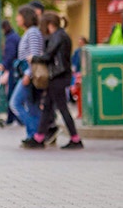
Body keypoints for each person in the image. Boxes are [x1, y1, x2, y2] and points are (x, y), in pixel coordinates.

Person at [24, 12, 82, 149]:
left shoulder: (58, 36)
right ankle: (39, 138)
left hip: (58, 76)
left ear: (49, 24)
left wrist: (34, 58)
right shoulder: (61, 35)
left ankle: (75, 139)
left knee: (61, 107)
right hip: (58, 76)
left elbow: (49, 55)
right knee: (48, 106)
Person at [9, 5, 45, 145]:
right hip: (26, 72)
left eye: (19, 16)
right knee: (32, 106)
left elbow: (35, 55)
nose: (17, 18)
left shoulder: (33, 33)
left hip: (28, 73)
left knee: (15, 103)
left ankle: (36, 131)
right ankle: (34, 136)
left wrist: (28, 74)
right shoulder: (30, 32)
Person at [0, 19, 20, 124]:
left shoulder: (10, 39)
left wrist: (4, 64)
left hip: (13, 69)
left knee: (12, 93)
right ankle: (13, 117)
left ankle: (13, 118)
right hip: (15, 68)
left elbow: (10, 53)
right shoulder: (15, 36)